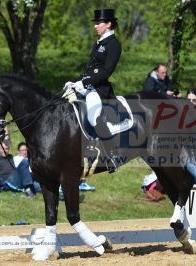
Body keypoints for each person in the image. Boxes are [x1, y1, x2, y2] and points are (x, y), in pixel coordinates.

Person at [62, 9, 121, 173]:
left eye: (98, 23)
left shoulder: (114, 44)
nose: (95, 26)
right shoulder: (99, 42)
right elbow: (90, 68)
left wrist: (84, 82)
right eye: (95, 23)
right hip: (88, 86)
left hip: (99, 89)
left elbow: (106, 71)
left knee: (94, 116)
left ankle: (112, 156)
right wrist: (75, 82)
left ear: (108, 24)